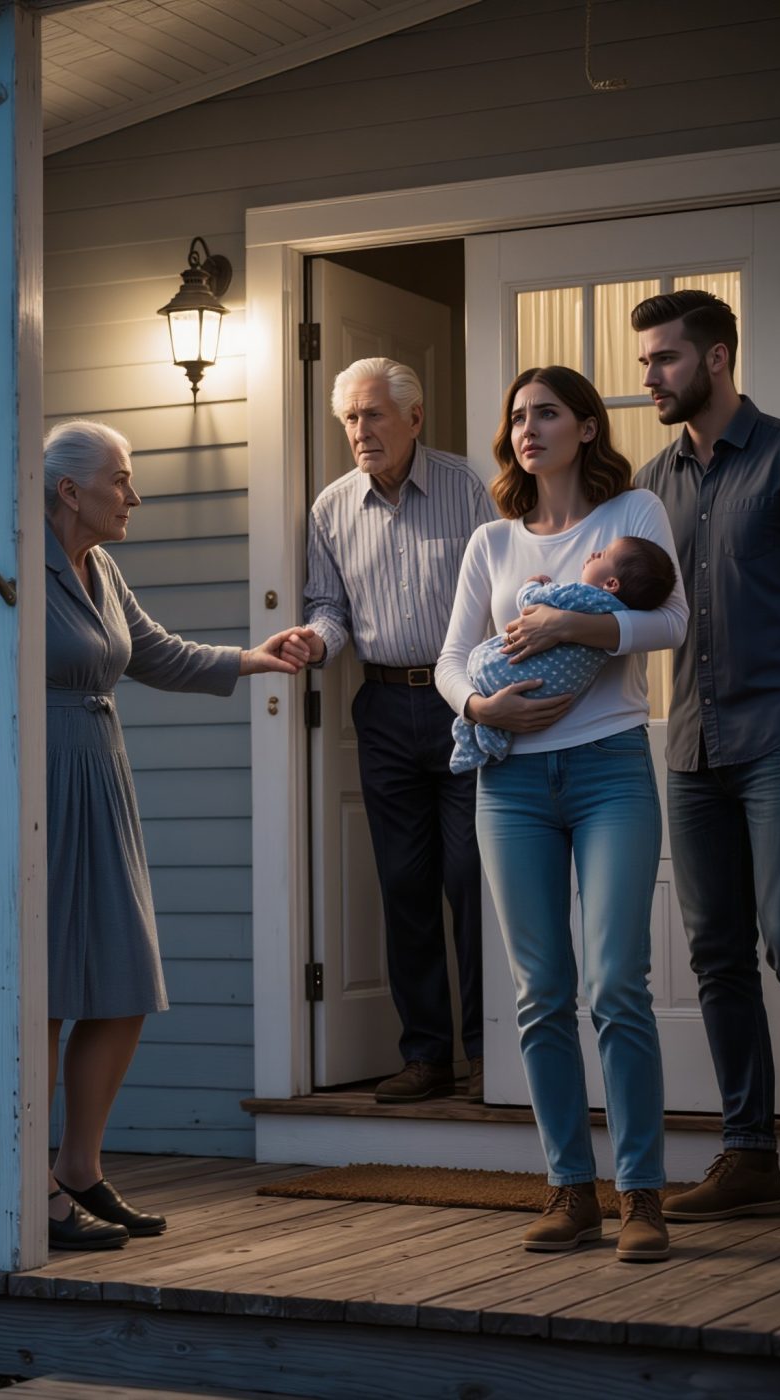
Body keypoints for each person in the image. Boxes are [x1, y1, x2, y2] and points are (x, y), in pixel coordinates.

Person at [0, 420, 303, 1252]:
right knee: (41, 994)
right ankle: (30, 1195)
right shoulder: (3, 568)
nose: (133, 495)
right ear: (70, 491)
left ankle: (78, 1168)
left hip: (101, 786)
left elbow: (151, 652)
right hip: (28, 795)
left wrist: (250, 658)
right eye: (122, 480)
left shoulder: (103, 568)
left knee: (123, 984)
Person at [436, 365, 687, 1262]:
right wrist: (478, 708)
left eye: (546, 413)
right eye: (517, 416)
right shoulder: (491, 543)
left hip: (611, 770)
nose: (528, 428)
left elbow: (670, 626)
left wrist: (567, 628)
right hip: (509, 784)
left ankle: (643, 1196)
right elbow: (451, 658)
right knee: (540, 995)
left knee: (617, 984)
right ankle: (567, 1191)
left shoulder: (635, 517)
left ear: (586, 426)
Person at [630, 290, 780, 1241]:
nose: (649, 377)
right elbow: (635, 607)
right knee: (715, 953)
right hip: (690, 746)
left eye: (666, 360)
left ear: (718, 357)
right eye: (646, 362)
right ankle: (751, 1156)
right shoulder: (651, 481)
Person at [280, 357, 496, 1105]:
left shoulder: (469, 489)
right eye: (349, 419)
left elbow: (503, 598)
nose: (360, 431)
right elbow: (330, 609)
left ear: (414, 417)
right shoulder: (331, 508)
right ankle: (428, 1055)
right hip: (382, 709)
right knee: (404, 884)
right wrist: (315, 641)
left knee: (470, 878)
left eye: (373, 415)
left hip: (461, 703)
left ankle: (488, 1055)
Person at [449, 536, 677, 770]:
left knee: (481, 658)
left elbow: (530, 601)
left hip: (504, 676)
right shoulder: (621, 614)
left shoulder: (583, 595)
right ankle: (486, 738)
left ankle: (474, 741)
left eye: (603, 554)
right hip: (550, 693)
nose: (595, 553)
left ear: (610, 583)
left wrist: (532, 584)